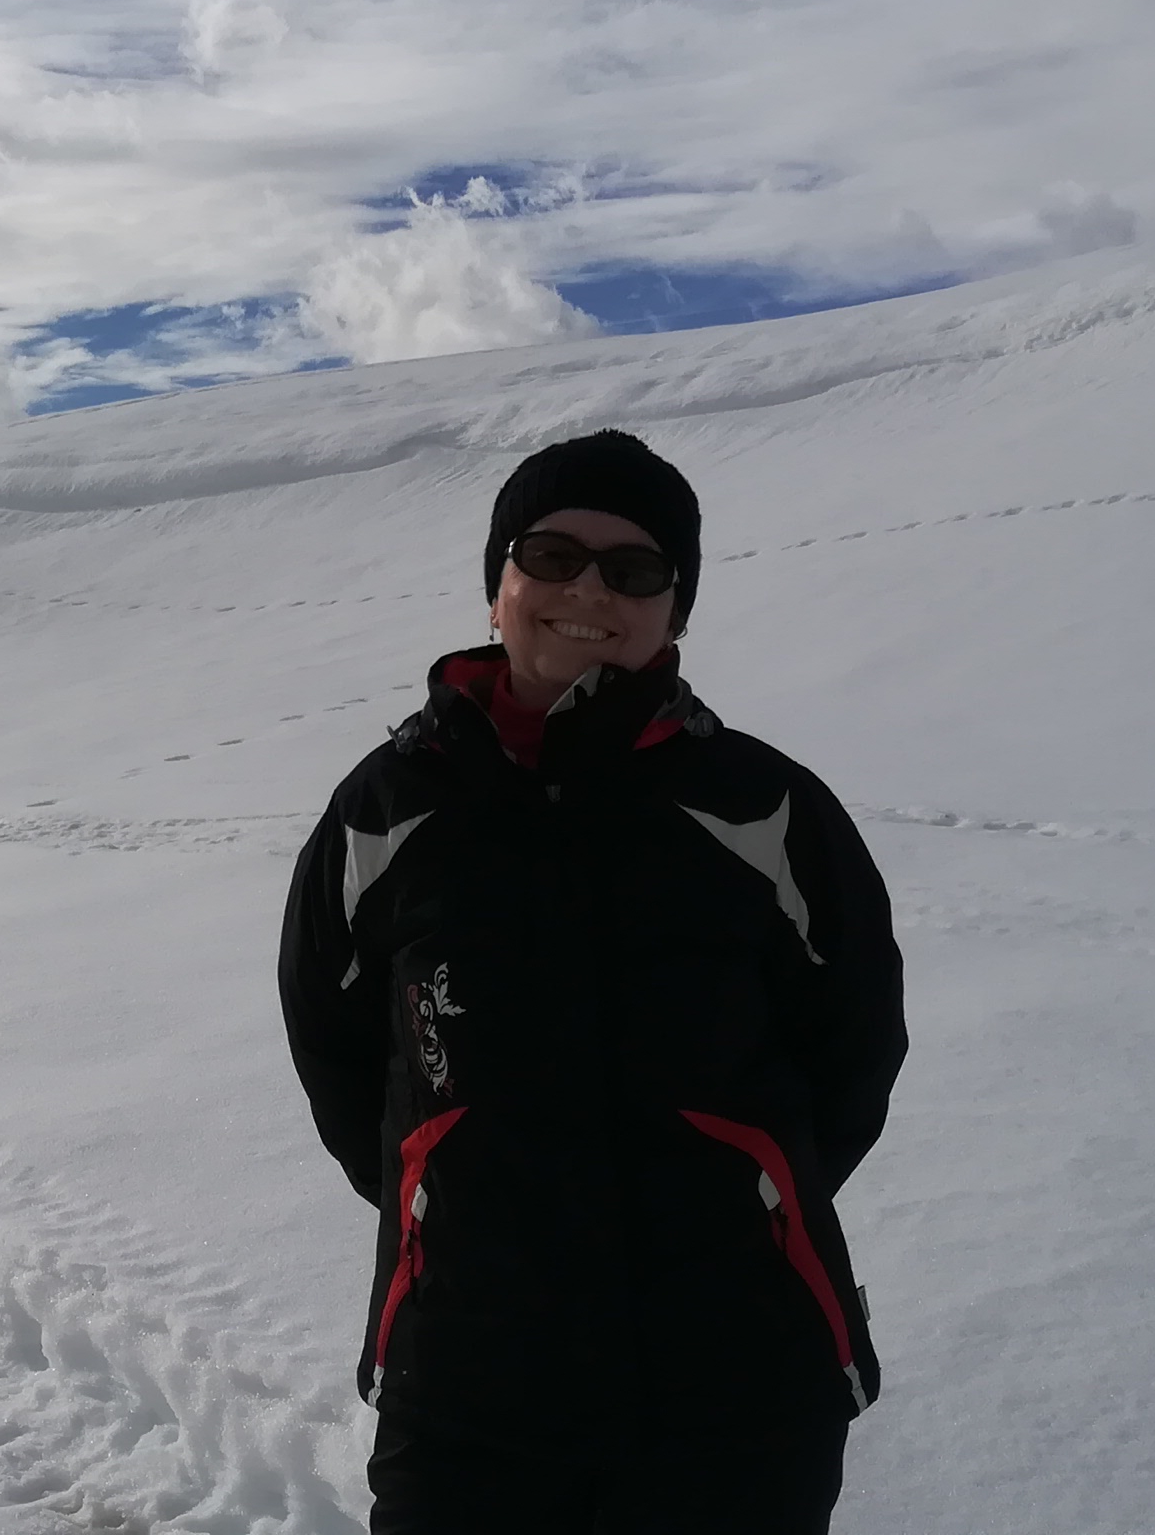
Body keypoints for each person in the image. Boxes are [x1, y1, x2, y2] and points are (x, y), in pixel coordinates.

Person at [278, 429, 906, 1533]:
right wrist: (440, 1186)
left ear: (676, 610)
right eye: (553, 555)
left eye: (635, 568)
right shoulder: (387, 808)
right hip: (466, 1375)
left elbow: (854, 1045)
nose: (589, 590)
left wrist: (749, 1189)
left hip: (742, 1377)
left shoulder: (761, 805)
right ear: (498, 587)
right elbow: (334, 1041)